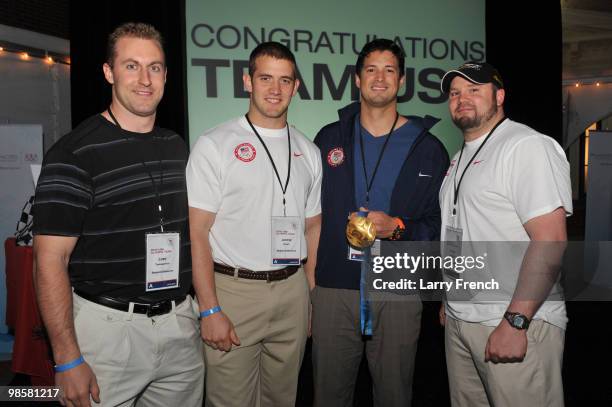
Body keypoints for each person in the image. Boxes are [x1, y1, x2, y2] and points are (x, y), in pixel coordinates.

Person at [32, 22, 204, 407]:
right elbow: (49, 260)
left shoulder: (176, 146)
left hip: (178, 325)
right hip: (108, 334)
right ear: (109, 72)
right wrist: (67, 358)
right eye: (131, 66)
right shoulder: (74, 154)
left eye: (155, 67)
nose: (145, 79)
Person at [311, 38, 449, 407]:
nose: (379, 78)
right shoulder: (328, 139)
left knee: (394, 394)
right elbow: (308, 217)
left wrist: (398, 227)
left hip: (398, 287)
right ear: (357, 79)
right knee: (328, 394)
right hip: (334, 286)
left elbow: (440, 224)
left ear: (402, 81)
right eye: (371, 69)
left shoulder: (429, 148)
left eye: (390, 70)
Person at [186, 41, 322, 407]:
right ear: (247, 81)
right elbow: (197, 232)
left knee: (283, 398)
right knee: (230, 400)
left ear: (296, 87)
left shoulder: (309, 151)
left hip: (292, 290)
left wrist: (309, 298)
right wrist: (209, 308)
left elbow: (313, 227)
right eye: (265, 78)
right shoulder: (215, 144)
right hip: (233, 292)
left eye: (284, 81)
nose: (275, 90)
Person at [438, 62, 572, 406]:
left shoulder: (526, 146)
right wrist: (449, 299)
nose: (462, 98)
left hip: (513, 322)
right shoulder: (459, 159)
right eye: (455, 93)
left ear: (499, 96)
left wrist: (516, 321)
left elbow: (551, 239)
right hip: (462, 321)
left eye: (474, 90)